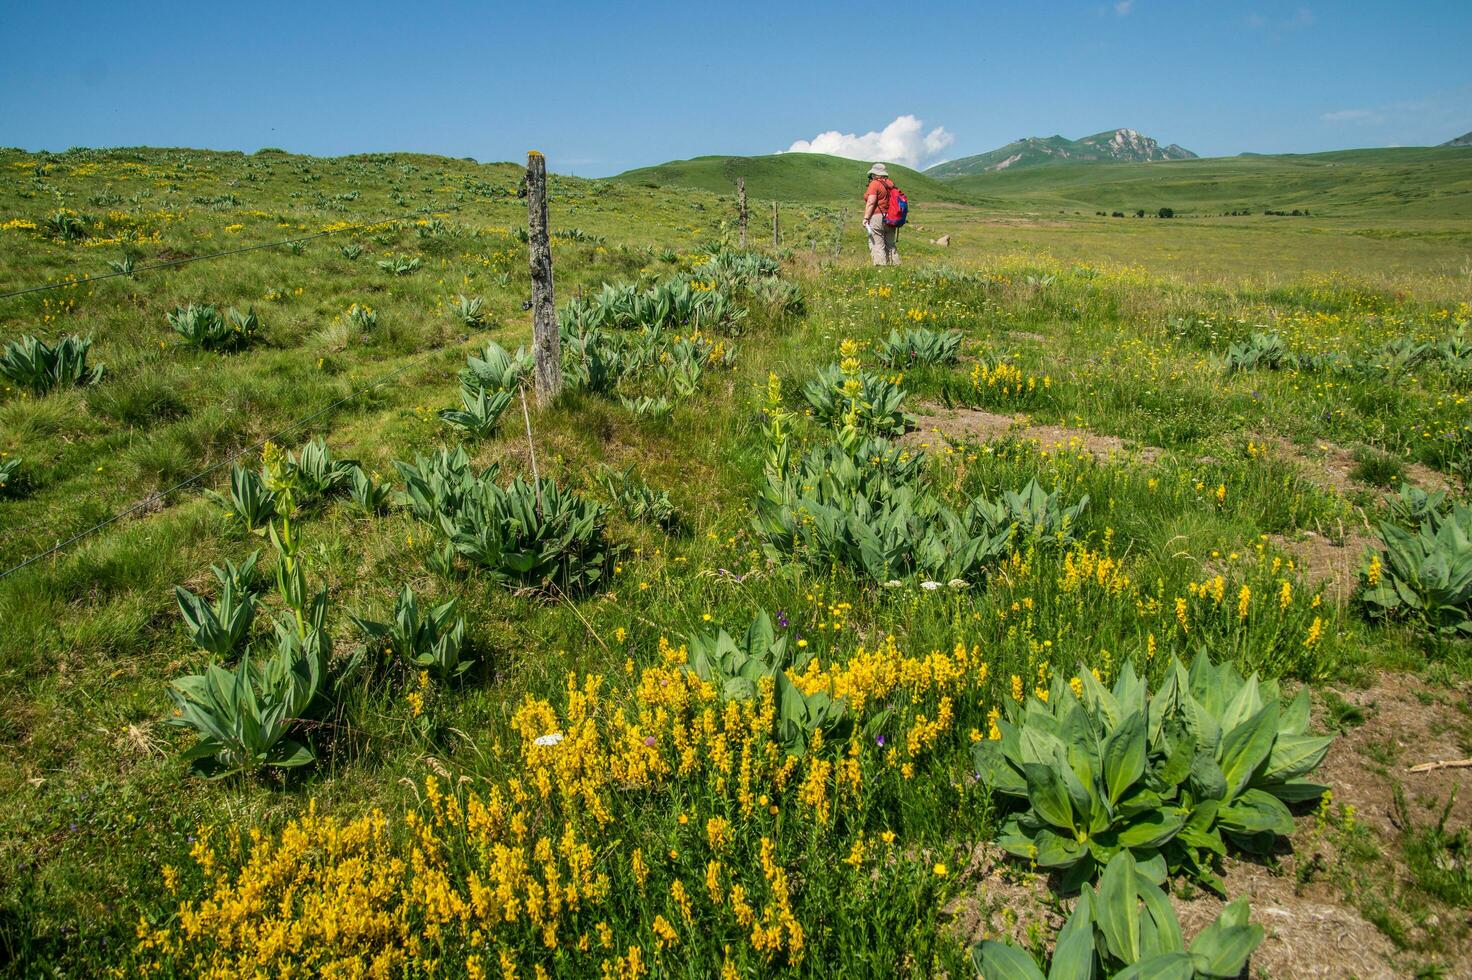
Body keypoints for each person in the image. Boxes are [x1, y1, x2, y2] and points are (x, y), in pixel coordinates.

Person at [862, 163, 900, 266]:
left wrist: (866, 218)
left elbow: (871, 202)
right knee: (890, 245)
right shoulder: (891, 184)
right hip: (891, 217)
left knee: (877, 244)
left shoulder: (874, 184)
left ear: (875, 174)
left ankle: (881, 268)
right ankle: (896, 267)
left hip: (877, 217)